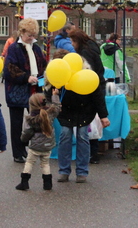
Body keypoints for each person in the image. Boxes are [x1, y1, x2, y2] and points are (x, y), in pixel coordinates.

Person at [57, 28, 110, 182]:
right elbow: (52, 87)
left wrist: (103, 115)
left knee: (82, 136)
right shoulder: (64, 72)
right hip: (67, 109)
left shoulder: (87, 70)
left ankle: (82, 171)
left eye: (72, 41)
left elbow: (96, 93)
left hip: (84, 107)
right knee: (65, 135)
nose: (71, 45)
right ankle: (64, 170)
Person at [3, 18, 48, 163]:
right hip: (17, 90)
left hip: (35, 90)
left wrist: (44, 75)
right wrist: (26, 78)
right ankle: (18, 152)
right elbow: (10, 69)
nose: (32, 38)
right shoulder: (13, 48)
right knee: (16, 123)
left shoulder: (36, 48)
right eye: (29, 35)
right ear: (22, 32)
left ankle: (32, 148)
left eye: (34, 35)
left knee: (36, 121)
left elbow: (43, 65)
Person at [16, 92, 61, 191]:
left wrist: (23, 140)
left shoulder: (30, 118)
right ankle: (47, 184)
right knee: (45, 163)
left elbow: (27, 132)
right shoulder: (50, 114)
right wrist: (55, 96)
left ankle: (24, 182)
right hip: (48, 144)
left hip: (35, 146)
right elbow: (57, 107)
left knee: (29, 162)